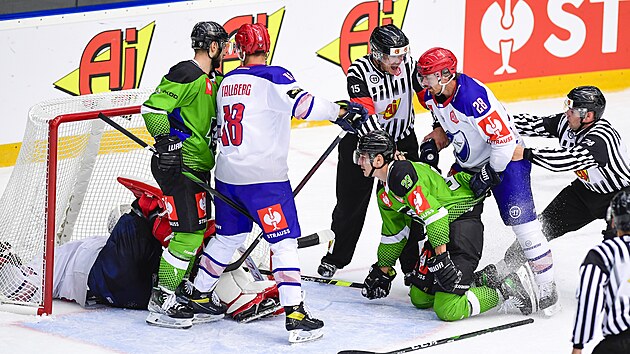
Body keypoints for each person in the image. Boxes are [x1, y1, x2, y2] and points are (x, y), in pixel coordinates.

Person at [187, 23, 368, 343]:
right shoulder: (273, 75)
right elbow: (303, 105)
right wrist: (340, 111)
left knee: (228, 237)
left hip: (227, 176)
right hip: (264, 181)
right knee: (282, 243)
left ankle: (199, 294)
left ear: (240, 51)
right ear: (266, 49)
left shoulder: (227, 80)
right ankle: (295, 314)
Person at [0, 178, 282, 325]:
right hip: (106, 279)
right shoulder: (42, 263)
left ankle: (240, 295)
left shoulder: (68, 251)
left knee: (191, 245)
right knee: (144, 220)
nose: (9, 252)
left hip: (133, 286)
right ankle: (147, 211)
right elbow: (20, 287)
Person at [416, 47, 558, 315]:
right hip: (468, 164)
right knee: (449, 212)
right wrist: (436, 138)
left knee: (523, 225)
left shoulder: (473, 97)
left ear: (446, 75)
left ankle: (546, 286)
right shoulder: (431, 93)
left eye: (429, 77)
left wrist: (491, 172)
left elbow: (503, 143)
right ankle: (457, 273)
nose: (424, 83)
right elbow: (445, 123)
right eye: (423, 77)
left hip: (506, 161)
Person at [356, 130, 539, 321]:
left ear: (377, 160)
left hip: (462, 222)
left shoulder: (402, 177)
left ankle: (506, 289)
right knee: (420, 297)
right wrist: (382, 269)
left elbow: (436, 217)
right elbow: (395, 234)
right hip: (442, 228)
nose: (359, 162)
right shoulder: (385, 192)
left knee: (447, 309)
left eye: (362, 157)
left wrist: (442, 259)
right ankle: (485, 278)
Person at [320, 24, 431, 280]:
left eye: (402, 55)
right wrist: (387, 150)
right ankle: (336, 256)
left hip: (403, 141)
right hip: (362, 145)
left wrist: (439, 125)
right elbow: (365, 114)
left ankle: (411, 263)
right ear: (377, 53)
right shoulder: (358, 71)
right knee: (350, 204)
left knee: (410, 203)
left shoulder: (409, 66)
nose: (399, 62)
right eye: (394, 56)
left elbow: (429, 97)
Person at [140, 21, 229, 328]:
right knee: (188, 234)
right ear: (214, 47)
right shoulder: (186, 72)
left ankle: (178, 289)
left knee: (196, 233)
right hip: (179, 170)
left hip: (198, 169)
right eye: (225, 46)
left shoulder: (211, 79)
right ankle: (161, 298)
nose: (227, 53)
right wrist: (166, 143)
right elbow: (152, 109)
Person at [571, 191, 630, 353]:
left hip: (620, 343)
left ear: (614, 222)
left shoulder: (603, 254)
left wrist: (578, 344)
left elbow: (590, 300)